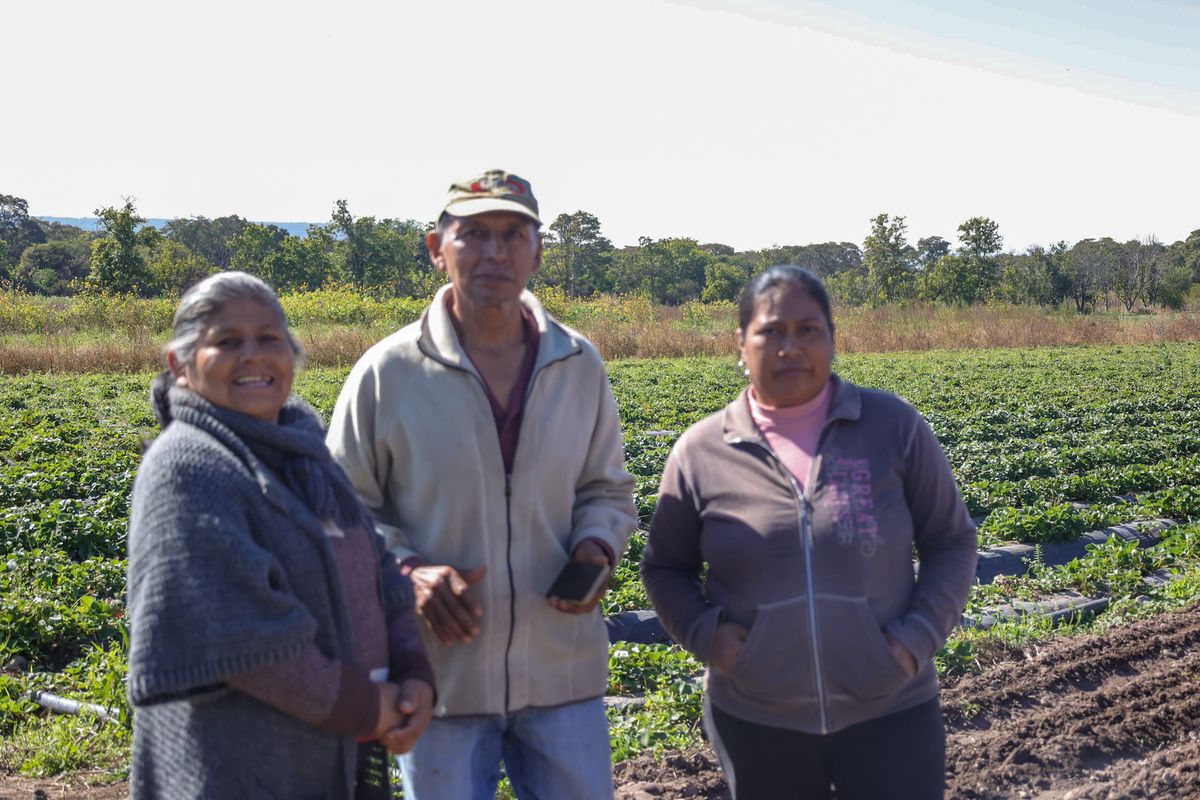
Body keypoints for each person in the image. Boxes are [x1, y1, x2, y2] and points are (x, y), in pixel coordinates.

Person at [326, 169, 637, 799]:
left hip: (562, 674)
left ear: (537, 252)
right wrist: (408, 572)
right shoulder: (388, 373)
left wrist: (597, 545)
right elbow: (339, 511)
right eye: (474, 234)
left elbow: (606, 489)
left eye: (513, 234)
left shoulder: (578, 364)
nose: (495, 251)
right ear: (436, 248)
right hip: (440, 678)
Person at [641, 266, 978, 800]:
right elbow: (665, 567)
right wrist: (708, 636)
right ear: (741, 344)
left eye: (807, 330)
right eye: (771, 331)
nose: (790, 347)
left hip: (891, 708)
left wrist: (914, 641)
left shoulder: (893, 427)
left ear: (832, 339)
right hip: (757, 719)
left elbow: (951, 541)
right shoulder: (701, 452)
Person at [126, 272, 435, 799]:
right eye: (227, 342)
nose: (253, 355)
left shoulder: (305, 454)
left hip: (334, 751)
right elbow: (241, 634)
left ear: (291, 354)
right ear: (180, 365)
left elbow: (379, 566)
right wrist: (366, 706)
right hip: (240, 768)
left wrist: (413, 670)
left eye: (269, 338)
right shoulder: (189, 468)